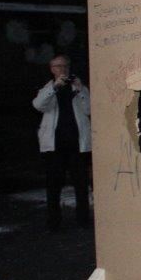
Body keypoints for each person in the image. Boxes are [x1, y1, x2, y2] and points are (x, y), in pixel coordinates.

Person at [32, 54, 91, 230]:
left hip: (77, 145)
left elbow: (89, 108)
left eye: (65, 66)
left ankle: (83, 220)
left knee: (81, 185)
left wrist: (80, 89)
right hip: (54, 147)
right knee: (53, 186)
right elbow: (38, 105)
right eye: (58, 66)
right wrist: (54, 88)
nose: (62, 69)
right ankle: (54, 222)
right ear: (52, 69)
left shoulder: (78, 87)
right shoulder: (48, 87)